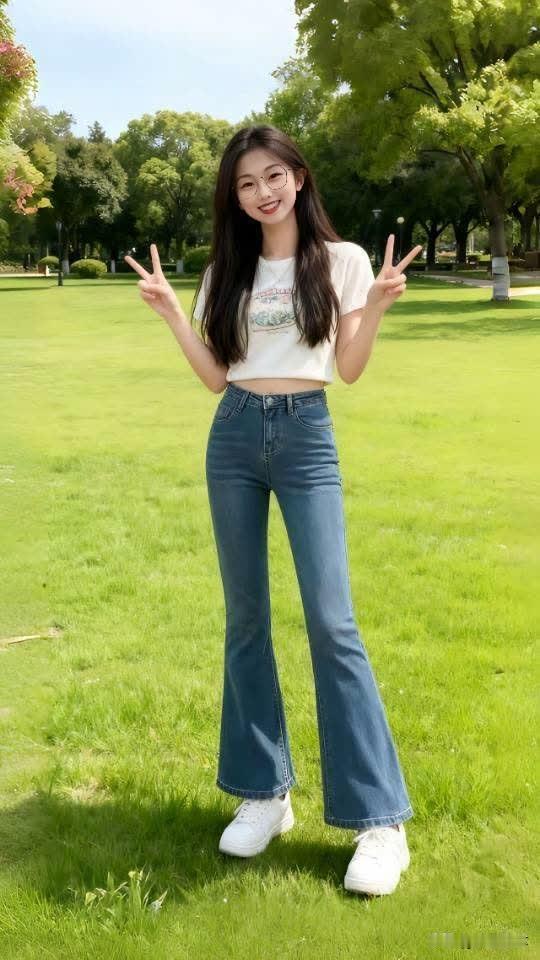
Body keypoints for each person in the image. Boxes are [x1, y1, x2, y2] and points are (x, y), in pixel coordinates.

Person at [124, 124, 422, 897]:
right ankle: (265, 793)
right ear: (235, 196)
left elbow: (348, 368)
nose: (262, 191)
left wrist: (378, 306)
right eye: (246, 182)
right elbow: (216, 377)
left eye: (273, 175)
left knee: (332, 620)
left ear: (299, 176)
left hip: (306, 438)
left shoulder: (342, 260)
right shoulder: (226, 271)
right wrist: (171, 313)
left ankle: (380, 825)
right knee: (246, 619)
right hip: (232, 438)